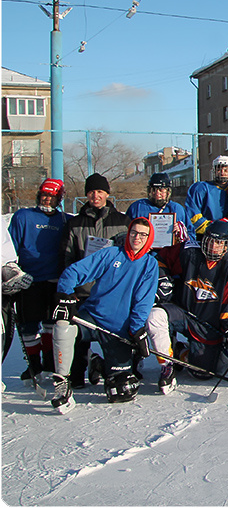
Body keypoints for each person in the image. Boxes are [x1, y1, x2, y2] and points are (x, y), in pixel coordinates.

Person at [49, 218, 158, 411]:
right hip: (92, 317)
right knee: (63, 326)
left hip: (118, 329)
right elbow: (73, 271)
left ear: (149, 238)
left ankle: (98, 363)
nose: (137, 238)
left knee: (120, 390)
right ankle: (62, 383)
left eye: (143, 234)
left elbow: (143, 301)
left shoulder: (150, 265)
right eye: (134, 232)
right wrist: (65, 293)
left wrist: (137, 330)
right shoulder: (111, 254)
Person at [148, 219, 228, 390]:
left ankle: (181, 352)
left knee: (201, 372)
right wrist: (162, 277)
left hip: (207, 324)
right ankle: (167, 365)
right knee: (155, 316)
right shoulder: (189, 251)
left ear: (227, 245)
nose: (214, 246)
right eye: (211, 241)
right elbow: (160, 258)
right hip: (182, 312)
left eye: (220, 243)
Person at [59, 172, 130, 388]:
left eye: (99, 191)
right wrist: (69, 291)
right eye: (91, 192)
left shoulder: (122, 221)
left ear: (107, 193)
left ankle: (112, 367)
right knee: (79, 337)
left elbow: (130, 256)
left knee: (116, 338)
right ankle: (78, 372)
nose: (95, 196)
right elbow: (67, 258)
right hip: (83, 291)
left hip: (112, 293)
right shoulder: (75, 224)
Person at [8, 178, 66, 380]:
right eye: (44, 195)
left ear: (58, 198)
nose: (47, 199)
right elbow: (10, 249)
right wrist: (14, 272)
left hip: (54, 281)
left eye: (51, 196)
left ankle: (50, 362)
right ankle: (34, 365)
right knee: (28, 325)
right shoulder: (23, 216)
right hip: (29, 281)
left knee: (52, 324)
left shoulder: (64, 220)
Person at [184, 155, 228, 243]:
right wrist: (216, 227)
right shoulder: (200, 188)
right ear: (214, 170)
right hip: (205, 237)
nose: (222, 172)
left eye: (226, 170)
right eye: (219, 169)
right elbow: (193, 218)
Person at [126, 173, 194, 249]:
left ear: (168, 191)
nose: (157, 193)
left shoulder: (177, 209)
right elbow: (126, 234)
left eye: (161, 190)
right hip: (145, 255)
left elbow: (191, 236)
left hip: (170, 256)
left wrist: (182, 233)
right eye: (154, 190)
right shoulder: (137, 207)